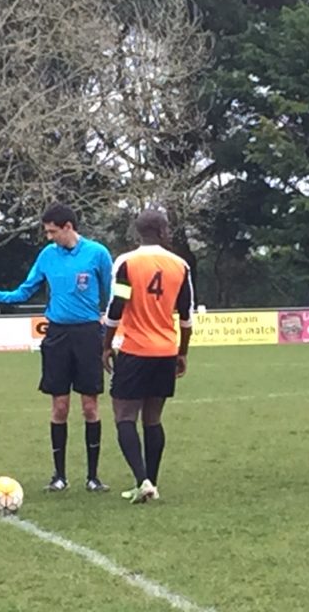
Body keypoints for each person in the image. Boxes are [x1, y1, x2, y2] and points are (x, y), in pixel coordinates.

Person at [0, 203, 114, 492]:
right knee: (60, 405)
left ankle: (93, 477)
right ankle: (59, 475)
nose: (49, 237)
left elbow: (111, 292)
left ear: (68, 227)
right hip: (57, 336)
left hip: (88, 334)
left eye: (53, 231)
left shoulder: (97, 253)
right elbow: (25, 290)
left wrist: (109, 317)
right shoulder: (47, 256)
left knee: (90, 406)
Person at [101, 210, 195, 503]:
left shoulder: (127, 263)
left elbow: (116, 307)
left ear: (138, 232)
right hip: (165, 351)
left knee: (124, 415)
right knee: (153, 418)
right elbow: (186, 318)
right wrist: (182, 353)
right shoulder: (180, 266)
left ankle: (143, 481)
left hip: (135, 350)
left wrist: (105, 345)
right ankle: (150, 482)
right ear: (163, 231)